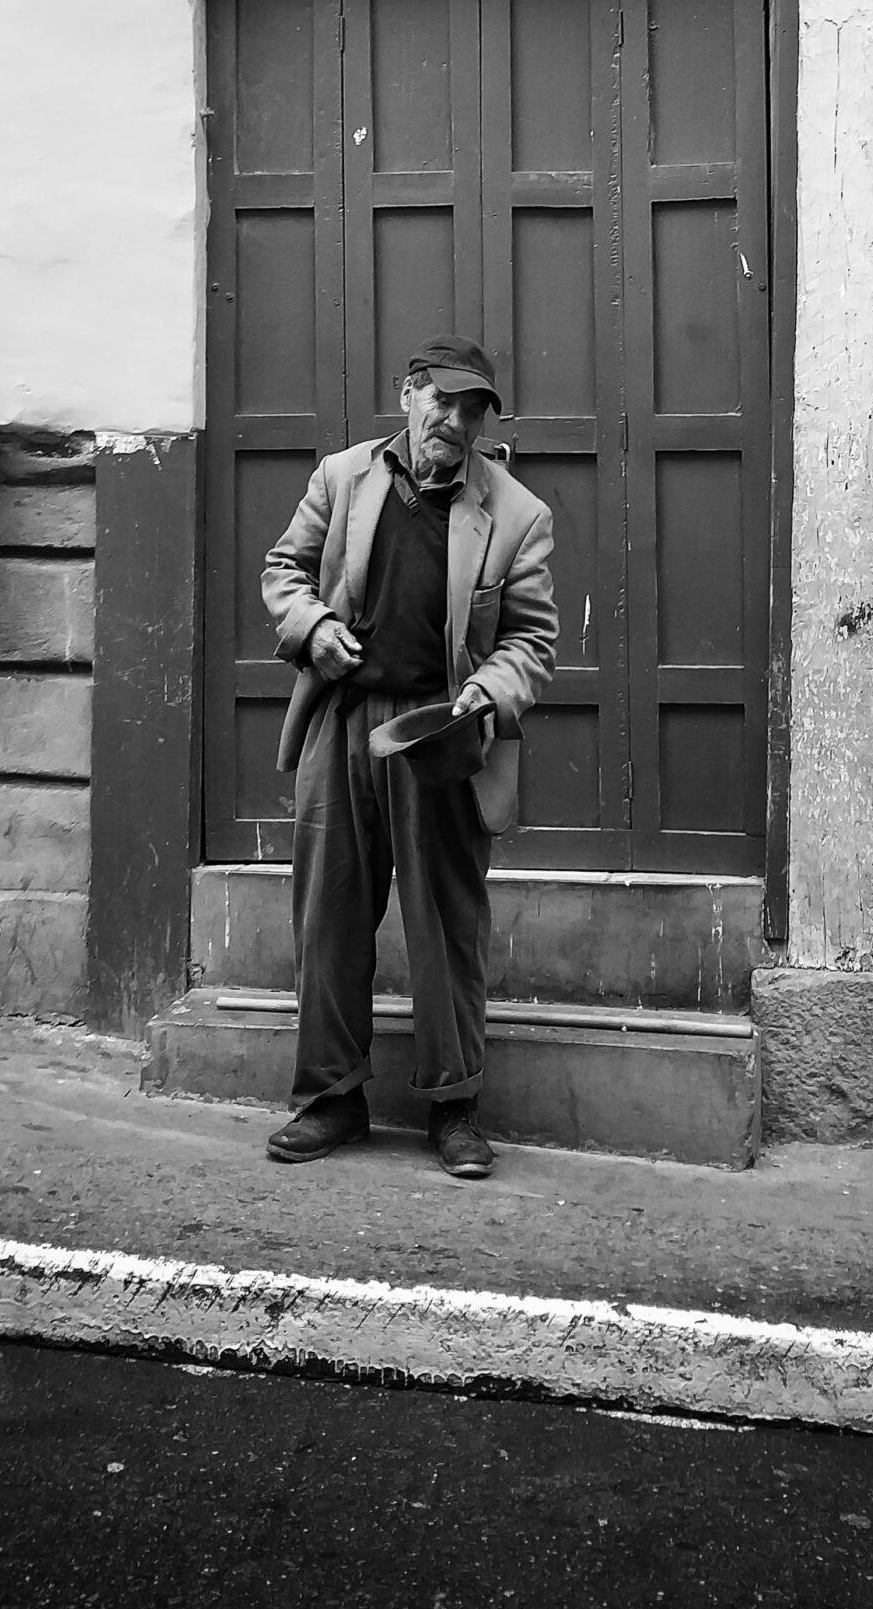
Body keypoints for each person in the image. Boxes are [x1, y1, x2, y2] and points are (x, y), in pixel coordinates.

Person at [259, 335, 556, 1179]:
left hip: (440, 735)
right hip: (343, 721)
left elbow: (532, 640)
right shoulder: (341, 478)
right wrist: (311, 627)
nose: (455, 420)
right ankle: (332, 1097)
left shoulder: (517, 513)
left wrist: (489, 691)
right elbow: (284, 568)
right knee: (330, 912)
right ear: (408, 395)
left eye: (473, 409)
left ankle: (454, 1106)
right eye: (443, 402)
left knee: (446, 923)